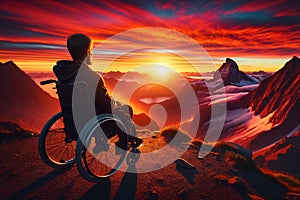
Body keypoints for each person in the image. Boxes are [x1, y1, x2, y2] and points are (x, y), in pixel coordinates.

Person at [53, 33, 142, 152]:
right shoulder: (91, 76)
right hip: (96, 124)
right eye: (91, 50)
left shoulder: (64, 74)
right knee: (127, 109)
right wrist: (118, 106)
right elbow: (106, 104)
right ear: (87, 52)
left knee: (107, 109)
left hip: (73, 121)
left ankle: (101, 144)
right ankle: (122, 144)